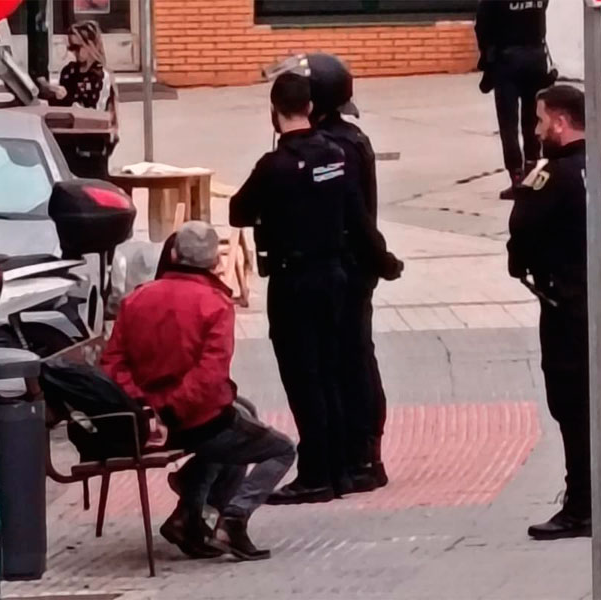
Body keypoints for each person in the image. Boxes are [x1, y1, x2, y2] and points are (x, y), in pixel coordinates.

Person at [230, 73, 388, 505]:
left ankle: (316, 473)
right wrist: (385, 262)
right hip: (335, 277)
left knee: (304, 378)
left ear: (274, 111)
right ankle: (341, 467)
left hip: (294, 280)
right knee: (334, 371)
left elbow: (237, 211)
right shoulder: (337, 154)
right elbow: (358, 216)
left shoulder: (274, 166)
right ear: (312, 108)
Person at [100, 221, 295, 561]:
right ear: (214, 263)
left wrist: (148, 408)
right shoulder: (215, 304)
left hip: (144, 422)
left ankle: (189, 514)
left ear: (173, 254)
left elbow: (113, 364)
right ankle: (231, 517)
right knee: (279, 449)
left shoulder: (137, 299)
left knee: (240, 416)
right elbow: (209, 377)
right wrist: (171, 410)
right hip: (193, 421)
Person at [507, 85, 601, 540]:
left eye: (539, 121)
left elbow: (522, 231)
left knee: (571, 404)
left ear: (558, 121)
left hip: (563, 301)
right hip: (597, 296)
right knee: (594, 400)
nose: (536, 130)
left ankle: (582, 507)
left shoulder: (551, 176)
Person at [301, 53, 404, 492]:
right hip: (352, 265)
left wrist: (377, 257)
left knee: (350, 360)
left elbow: (352, 213)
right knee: (349, 358)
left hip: (346, 267)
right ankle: (355, 449)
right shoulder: (346, 138)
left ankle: (362, 452)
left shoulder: (335, 147)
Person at [475, 0, 553, 200]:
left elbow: (482, 25)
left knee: (508, 122)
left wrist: (486, 57)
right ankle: (533, 170)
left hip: (507, 59)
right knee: (533, 118)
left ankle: (517, 176)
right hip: (536, 57)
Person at [42, 21, 119, 140]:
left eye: (77, 47)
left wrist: (66, 98)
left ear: (90, 45)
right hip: (67, 135)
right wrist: (53, 94)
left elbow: (94, 113)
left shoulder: (101, 75)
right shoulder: (69, 71)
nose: (74, 52)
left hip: (93, 138)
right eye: (71, 47)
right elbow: (61, 108)